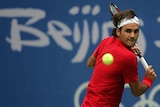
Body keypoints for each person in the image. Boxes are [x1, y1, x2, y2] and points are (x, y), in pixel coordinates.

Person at [81, 9, 157, 107]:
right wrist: (148, 80)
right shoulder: (128, 57)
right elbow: (137, 91)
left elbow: (90, 63)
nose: (133, 36)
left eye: (136, 31)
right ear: (118, 31)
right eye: (128, 31)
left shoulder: (106, 42)